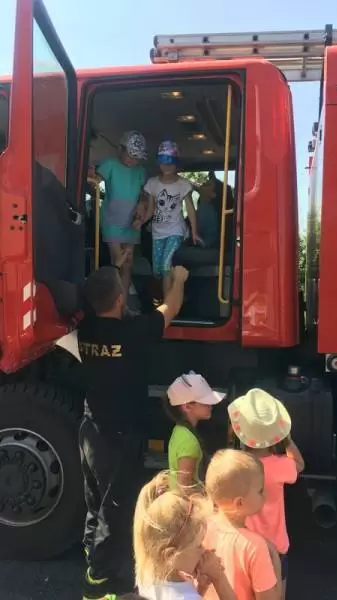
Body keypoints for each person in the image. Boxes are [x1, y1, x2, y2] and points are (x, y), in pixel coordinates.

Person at [78, 249, 189, 600]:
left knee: (96, 503)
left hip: (91, 429)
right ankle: (98, 584)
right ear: (120, 298)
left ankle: (92, 557)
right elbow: (171, 307)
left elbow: (114, 301)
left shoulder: (86, 326)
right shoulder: (134, 331)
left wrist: (122, 269)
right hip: (119, 435)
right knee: (115, 508)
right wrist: (179, 278)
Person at [228, 389, 305, 598]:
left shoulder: (236, 465)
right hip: (276, 547)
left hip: (244, 544)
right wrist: (286, 440)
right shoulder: (281, 465)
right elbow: (300, 465)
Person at [132, 471, 236, 600]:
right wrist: (218, 578)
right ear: (171, 555)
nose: (204, 550)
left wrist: (201, 587)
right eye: (198, 546)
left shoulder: (149, 574)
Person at [203, 449, 281, 600]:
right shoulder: (255, 546)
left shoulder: (201, 528)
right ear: (240, 502)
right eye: (260, 491)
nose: (265, 495)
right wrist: (276, 561)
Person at [94, 131, 148, 308]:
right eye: (130, 156)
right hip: (112, 220)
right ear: (120, 149)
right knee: (118, 260)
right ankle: (114, 304)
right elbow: (94, 181)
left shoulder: (140, 171)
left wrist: (142, 206)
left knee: (128, 264)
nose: (133, 160)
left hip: (133, 222)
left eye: (137, 158)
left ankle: (123, 304)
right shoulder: (109, 164)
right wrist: (91, 175)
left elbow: (144, 194)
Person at [139, 140, 199, 299]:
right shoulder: (152, 183)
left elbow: (190, 209)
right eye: (163, 162)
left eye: (170, 163)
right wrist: (140, 222)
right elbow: (151, 210)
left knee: (166, 267)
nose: (166, 166)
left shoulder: (183, 184)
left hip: (175, 231)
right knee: (157, 270)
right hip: (157, 233)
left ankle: (167, 305)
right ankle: (171, 298)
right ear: (158, 163)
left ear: (176, 164)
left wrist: (194, 232)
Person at [164, 371, 226, 486]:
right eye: (205, 402)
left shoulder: (180, 430)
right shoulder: (189, 441)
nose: (211, 406)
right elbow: (185, 487)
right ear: (187, 406)